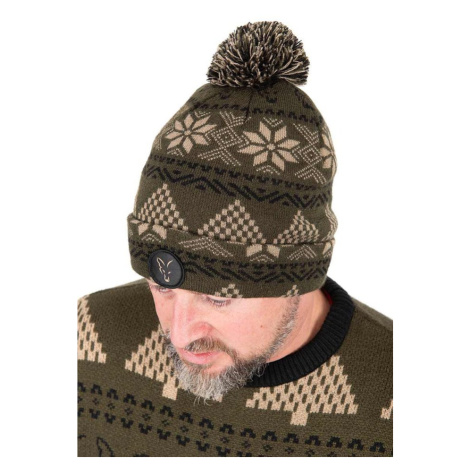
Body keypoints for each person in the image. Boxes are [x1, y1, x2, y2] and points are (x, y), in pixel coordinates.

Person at [78, 20, 393, 457]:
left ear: (299, 275)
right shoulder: (83, 339)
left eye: (218, 297)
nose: (179, 334)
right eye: (162, 286)